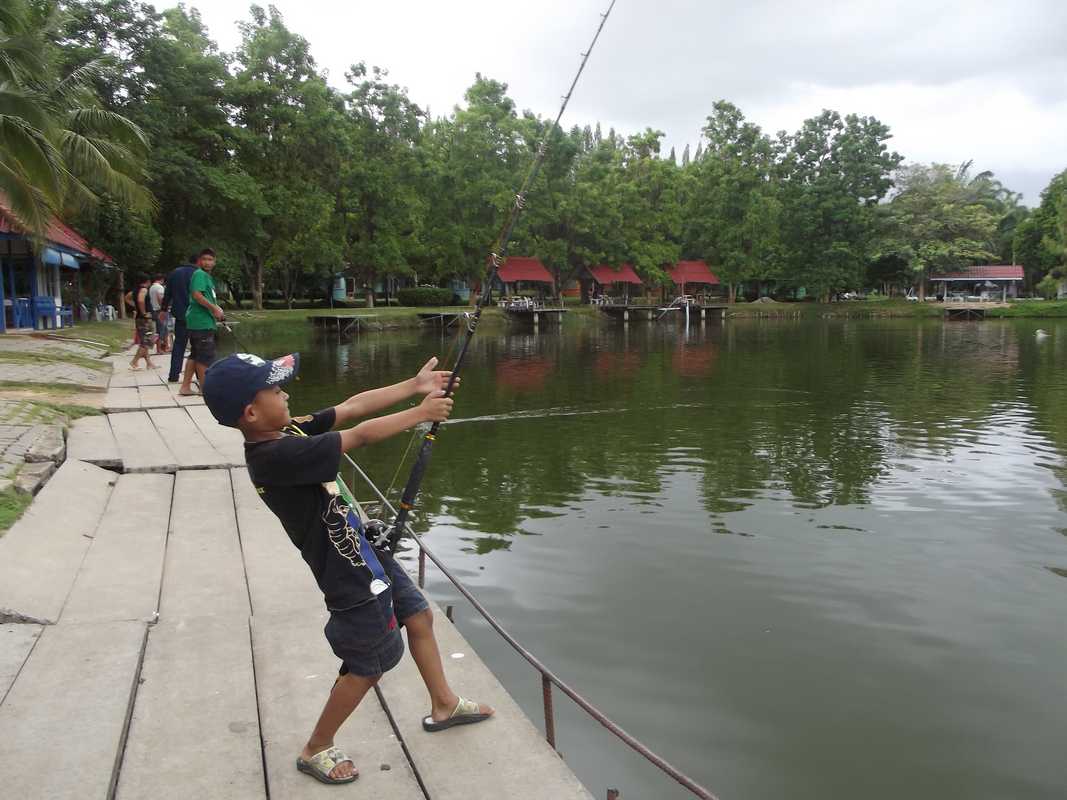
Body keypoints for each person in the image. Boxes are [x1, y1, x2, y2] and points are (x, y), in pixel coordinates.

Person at [202, 352, 493, 785]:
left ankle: (444, 703)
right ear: (251, 411)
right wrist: (421, 412)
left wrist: (413, 386)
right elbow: (358, 435)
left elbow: (352, 408)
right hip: (349, 577)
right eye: (277, 390)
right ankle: (317, 746)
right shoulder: (275, 456)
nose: (287, 394)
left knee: (418, 614)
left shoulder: (288, 429)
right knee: (369, 663)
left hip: (365, 554)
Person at [179, 248, 223, 396]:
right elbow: (197, 295)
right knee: (204, 357)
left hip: (201, 321)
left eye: (210, 260)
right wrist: (214, 308)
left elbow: (207, 298)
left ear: (214, 262)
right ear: (199, 261)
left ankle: (185, 387)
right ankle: (205, 390)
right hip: (200, 322)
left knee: (195, 354)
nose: (207, 262)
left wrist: (216, 309)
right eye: (204, 259)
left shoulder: (206, 276)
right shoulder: (199, 274)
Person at [162, 256, 197, 383]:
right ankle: (200, 375)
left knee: (179, 345)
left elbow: (168, 293)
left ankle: (174, 374)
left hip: (180, 314)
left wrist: (163, 309)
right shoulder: (199, 274)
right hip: (196, 315)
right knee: (198, 346)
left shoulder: (175, 273)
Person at [124, 273, 155, 370]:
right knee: (147, 342)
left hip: (139, 318)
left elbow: (127, 298)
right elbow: (141, 300)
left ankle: (149, 363)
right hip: (145, 319)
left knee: (144, 341)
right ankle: (134, 361)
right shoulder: (144, 289)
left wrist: (135, 306)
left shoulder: (135, 290)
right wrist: (144, 312)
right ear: (147, 281)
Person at [148, 274, 167, 354]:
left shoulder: (151, 287)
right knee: (161, 330)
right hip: (159, 310)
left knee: (163, 329)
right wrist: (163, 309)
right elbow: (160, 298)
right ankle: (159, 349)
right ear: (161, 279)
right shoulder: (159, 287)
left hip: (153, 309)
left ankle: (164, 347)